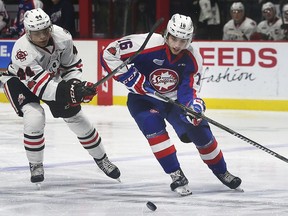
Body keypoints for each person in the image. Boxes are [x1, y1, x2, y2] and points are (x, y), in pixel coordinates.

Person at [100, 13, 242, 196]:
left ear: (190, 39)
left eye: (183, 41)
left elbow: (188, 90)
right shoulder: (146, 43)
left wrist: (193, 107)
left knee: (199, 130)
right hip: (142, 99)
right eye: (174, 38)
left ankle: (222, 171)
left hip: (173, 101)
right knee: (153, 126)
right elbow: (108, 53)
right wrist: (132, 78)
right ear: (166, 33)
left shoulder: (193, 57)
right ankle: (176, 175)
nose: (177, 45)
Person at [0, 8, 120, 185]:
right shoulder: (22, 52)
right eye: (36, 32)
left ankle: (102, 159)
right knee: (34, 116)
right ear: (27, 32)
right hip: (19, 81)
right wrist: (72, 92)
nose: (42, 36)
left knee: (76, 118)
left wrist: (76, 87)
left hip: (51, 78)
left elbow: (72, 66)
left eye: (45, 30)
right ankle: (36, 164)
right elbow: (43, 89)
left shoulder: (62, 36)